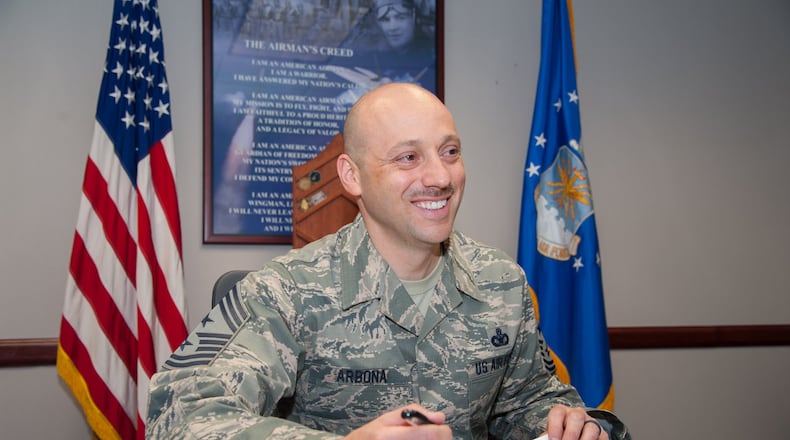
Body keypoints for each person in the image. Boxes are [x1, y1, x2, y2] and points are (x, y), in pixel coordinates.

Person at [146, 83, 630, 439]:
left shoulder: (501, 283)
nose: (440, 177)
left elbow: (527, 400)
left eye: (450, 151)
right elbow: (179, 416)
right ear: (351, 176)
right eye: (407, 158)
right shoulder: (285, 290)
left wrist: (569, 424)